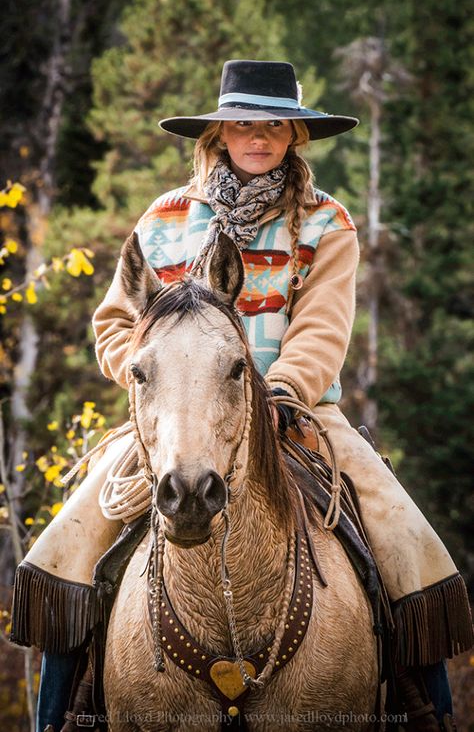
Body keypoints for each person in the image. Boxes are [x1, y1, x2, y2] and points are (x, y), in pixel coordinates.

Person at [10, 60, 472, 732]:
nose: (260, 136)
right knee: (66, 546)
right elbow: (117, 321)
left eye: (275, 124)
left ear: (295, 135)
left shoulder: (325, 223)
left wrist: (279, 389)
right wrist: (149, 376)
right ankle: (56, 718)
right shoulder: (164, 218)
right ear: (220, 130)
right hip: (174, 417)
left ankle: (428, 709)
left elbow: (320, 327)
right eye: (245, 122)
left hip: (299, 412)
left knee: (401, 533)